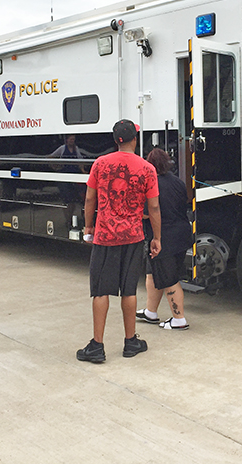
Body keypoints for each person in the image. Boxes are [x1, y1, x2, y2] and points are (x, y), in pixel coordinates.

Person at [76, 120, 161, 363]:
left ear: (116, 140)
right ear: (135, 138)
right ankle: (130, 341)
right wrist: (157, 238)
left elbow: (90, 199)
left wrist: (89, 227)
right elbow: (153, 207)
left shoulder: (100, 164)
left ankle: (97, 346)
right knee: (129, 289)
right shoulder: (147, 169)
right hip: (133, 236)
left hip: (106, 237)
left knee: (101, 290)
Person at [136, 148, 192, 330]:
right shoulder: (178, 182)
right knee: (153, 273)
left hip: (163, 239)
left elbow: (146, 213)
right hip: (182, 234)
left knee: (169, 279)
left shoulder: (150, 184)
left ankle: (179, 319)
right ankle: (151, 312)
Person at [48, 134, 86, 227]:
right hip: (64, 178)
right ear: (67, 140)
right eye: (70, 139)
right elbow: (50, 157)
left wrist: (83, 171)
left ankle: (77, 219)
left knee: (78, 200)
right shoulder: (62, 149)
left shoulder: (76, 149)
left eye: (73, 139)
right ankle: (68, 220)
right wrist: (56, 167)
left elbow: (80, 161)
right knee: (67, 201)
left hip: (74, 177)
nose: (72, 141)